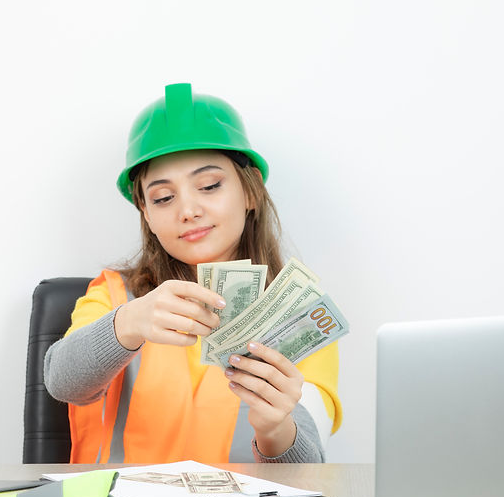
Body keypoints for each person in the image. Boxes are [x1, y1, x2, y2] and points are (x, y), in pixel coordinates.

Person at [44, 83, 341, 464]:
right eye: (163, 198)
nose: (188, 210)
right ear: (147, 215)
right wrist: (128, 324)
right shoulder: (116, 295)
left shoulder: (303, 314)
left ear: (251, 193)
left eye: (209, 186)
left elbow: (307, 469)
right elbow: (62, 383)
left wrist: (275, 429)